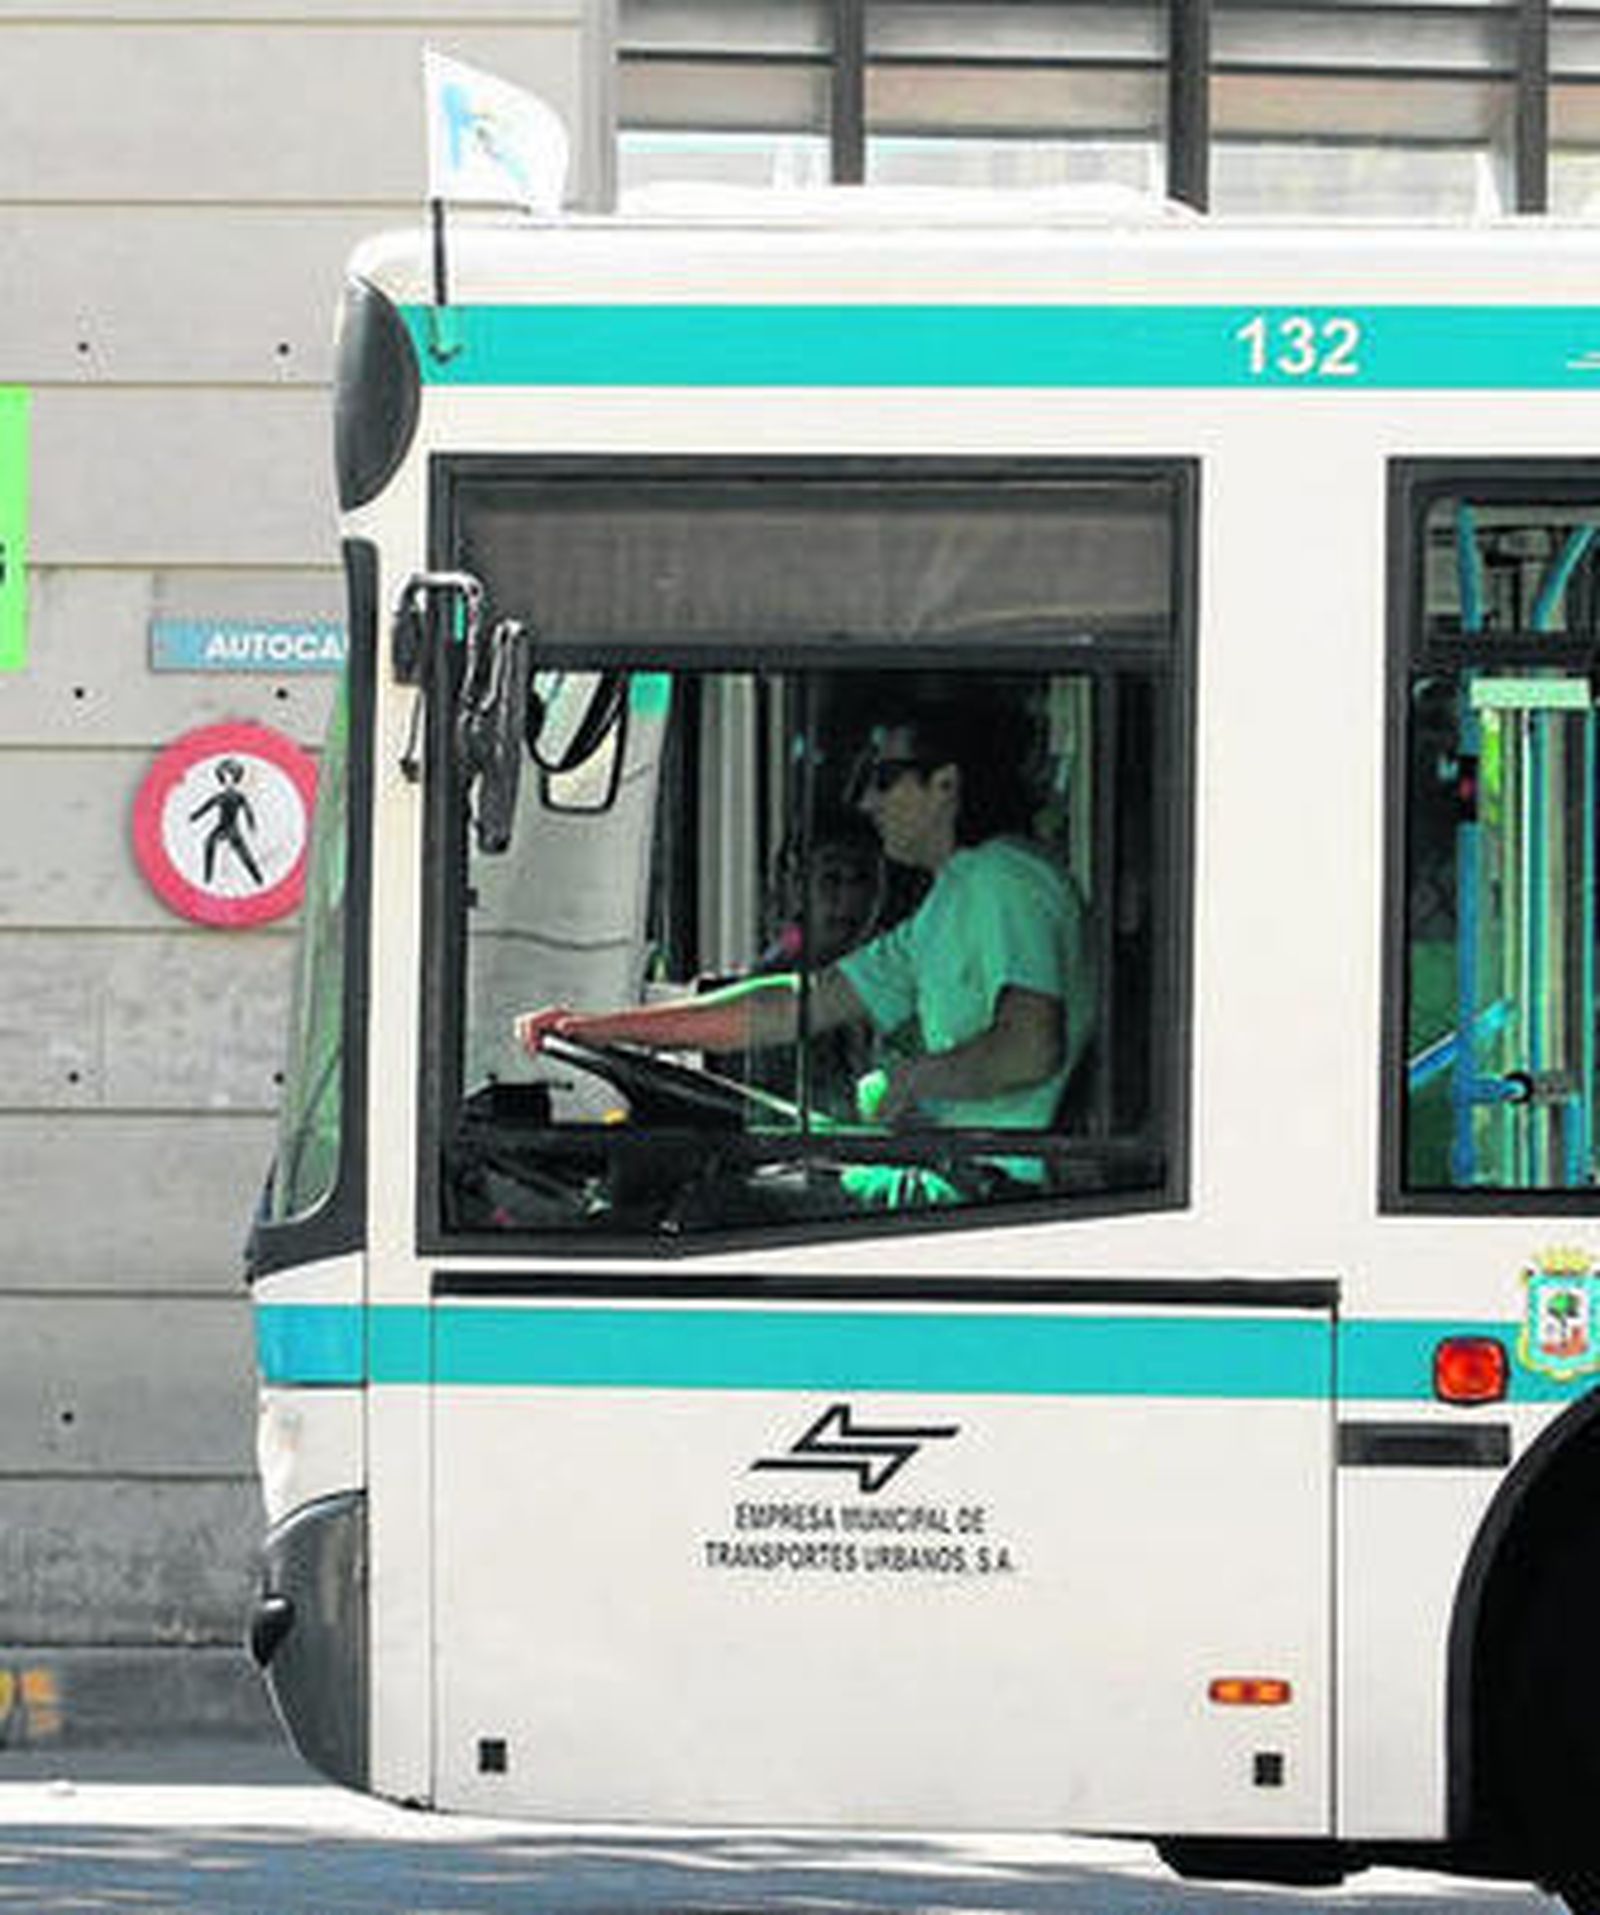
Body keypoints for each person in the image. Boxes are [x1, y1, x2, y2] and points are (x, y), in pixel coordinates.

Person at [514, 698, 1088, 1133]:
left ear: (945, 784)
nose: (868, 802)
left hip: (993, 1188)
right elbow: (794, 1004)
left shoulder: (1006, 881)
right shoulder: (950, 899)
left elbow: (1030, 1046)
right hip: (955, 1167)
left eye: (884, 779)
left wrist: (907, 1082)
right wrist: (601, 1028)